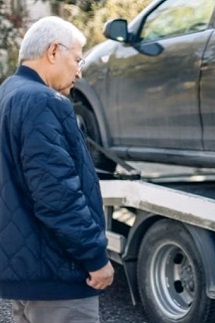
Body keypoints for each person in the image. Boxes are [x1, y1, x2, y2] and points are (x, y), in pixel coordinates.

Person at [0, 16, 114, 323]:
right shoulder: (43, 101)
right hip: (58, 275)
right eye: (77, 59)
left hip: (27, 269)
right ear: (53, 51)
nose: (79, 70)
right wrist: (95, 257)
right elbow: (57, 195)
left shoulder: (8, 92)